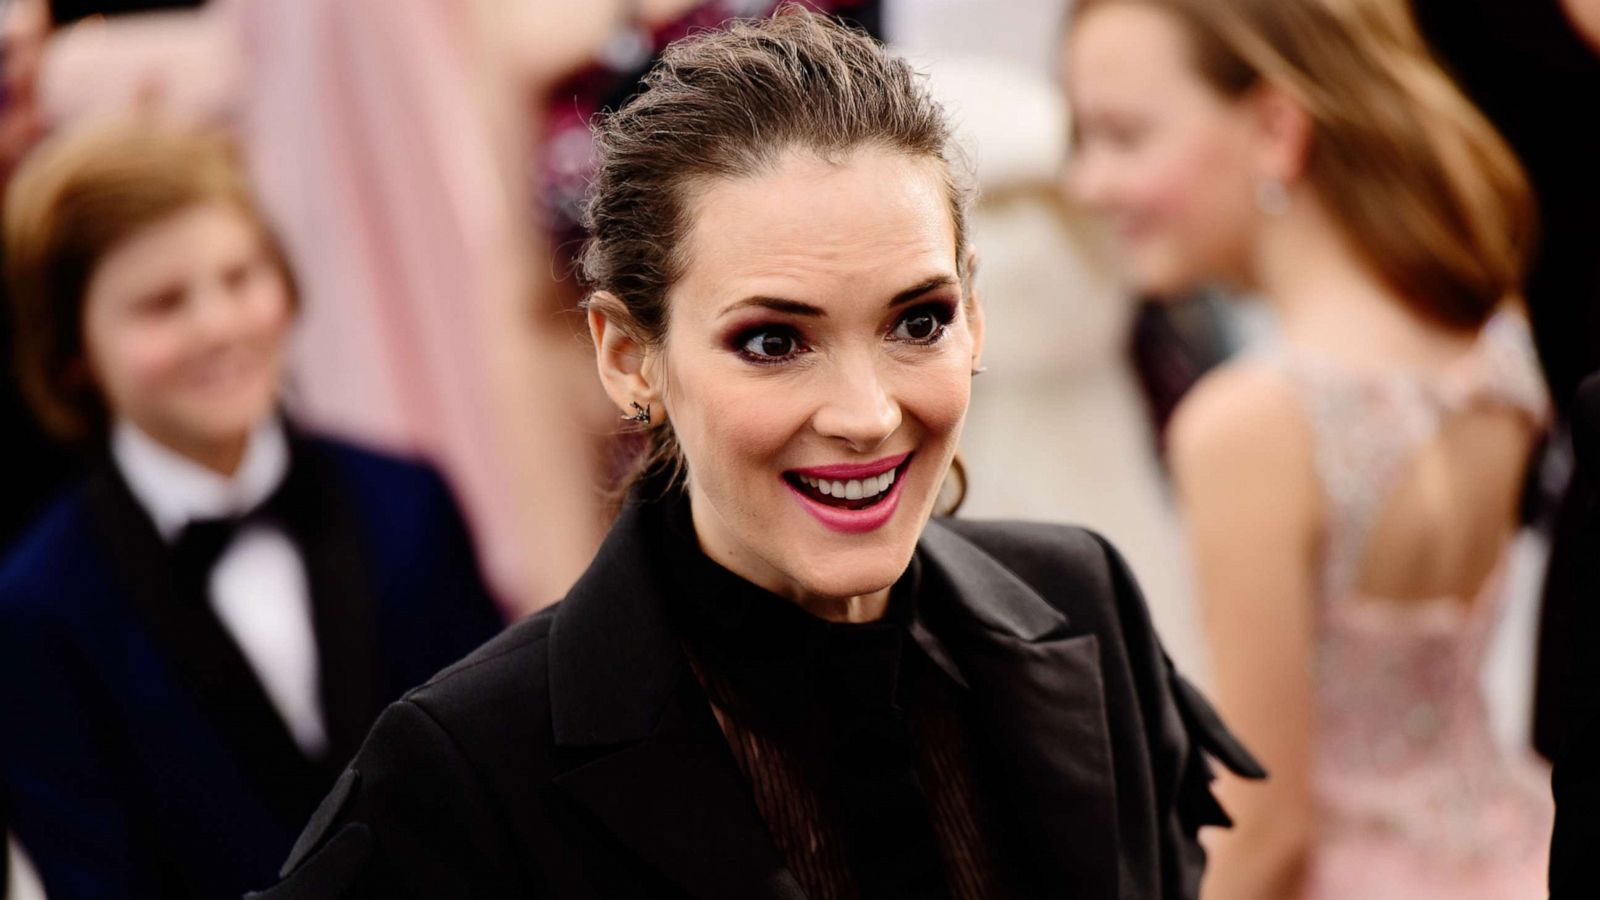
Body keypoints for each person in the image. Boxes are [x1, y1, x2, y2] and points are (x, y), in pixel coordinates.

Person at [255, 10, 1259, 899]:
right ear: (627, 357)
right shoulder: (470, 763)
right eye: (774, 341)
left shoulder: (1081, 604)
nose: (865, 416)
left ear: (976, 316)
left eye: (917, 321)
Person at [1065, 1, 1553, 898]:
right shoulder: (1491, 332)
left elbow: (1267, 828)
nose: (1089, 184)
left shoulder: (1249, 424)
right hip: (1521, 855)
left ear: (1276, 128)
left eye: (1124, 137)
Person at [0, 119, 505, 898]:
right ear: (71, 351)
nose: (219, 326)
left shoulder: (409, 501)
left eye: (240, 278)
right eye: (163, 304)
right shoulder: (36, 610)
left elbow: (502, 771)